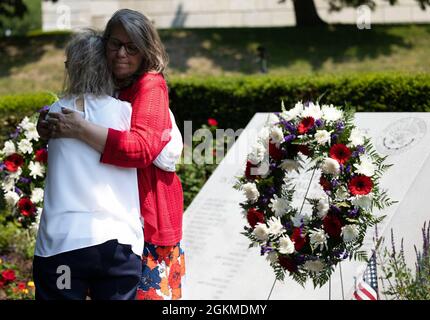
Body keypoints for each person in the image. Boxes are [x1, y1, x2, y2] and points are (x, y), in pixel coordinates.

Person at [41, 9, 185, 300]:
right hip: (117, 228)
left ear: (146, 51)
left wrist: (80, 128)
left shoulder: (150, 85)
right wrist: (47, 120)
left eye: (132, 47)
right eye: (115, 44)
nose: (122, 53)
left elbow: (141, 149)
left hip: (150, 220)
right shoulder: (116, 87)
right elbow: (79, 106)